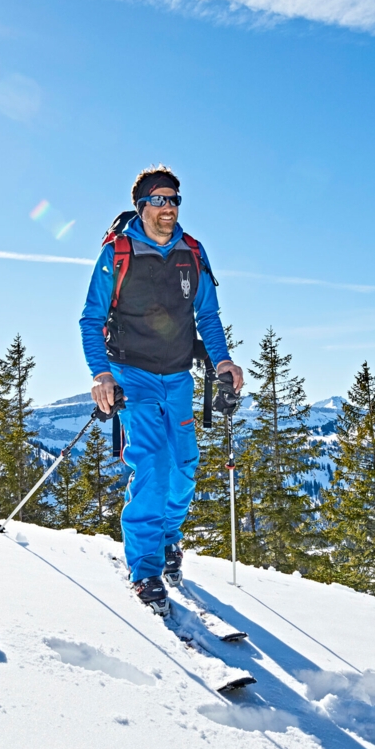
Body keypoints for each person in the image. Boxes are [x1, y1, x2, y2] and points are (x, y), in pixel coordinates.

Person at [79, 165, 243, 614]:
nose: (168, 207)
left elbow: (207, 315)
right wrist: (101, 374)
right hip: (131, 373)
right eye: (160, 199)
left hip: (177, 375)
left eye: (174, 200)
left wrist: (222, 359)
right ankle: (146, 569)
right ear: (142, 205)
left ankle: (170, 540)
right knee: (152, 464)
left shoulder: (192, 252)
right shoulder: (117, 253)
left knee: (185, 465)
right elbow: (91, 320)